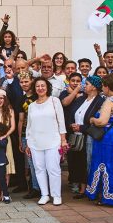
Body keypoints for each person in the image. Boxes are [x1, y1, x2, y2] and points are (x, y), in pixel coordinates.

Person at [25, 77, 67, 206]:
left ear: (47, 87)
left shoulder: (54, 101)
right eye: (38, 86)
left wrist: (63, 140)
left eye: (43, 85)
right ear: (34, 89)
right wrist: (28, 143)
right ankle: (44, 194)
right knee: (39, 169)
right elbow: (29, 126)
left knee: (53, 168)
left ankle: (56, 195)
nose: (40, 88)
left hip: (53, 141)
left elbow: (61, 121)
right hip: (36, 142)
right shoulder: (31, 105)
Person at [85, 73, 113, 207]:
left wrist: (92, 119)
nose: (102, 88)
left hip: (107, 137)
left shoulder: (109, 101)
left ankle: (105, 195)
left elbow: (102, 121)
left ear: (107, 86)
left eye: (103, 85)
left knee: (103, 163)